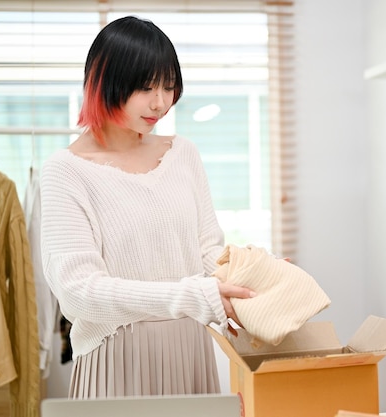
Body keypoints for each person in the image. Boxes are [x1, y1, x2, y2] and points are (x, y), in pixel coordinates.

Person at [39, 15, 255, 399]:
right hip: (116, 359)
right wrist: (193, 297)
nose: (161, 103)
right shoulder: (65, 171)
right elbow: (78, 292)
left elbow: (207, 252)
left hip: (190, 350)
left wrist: (254, 276)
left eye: (169, 87)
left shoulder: (182, 153)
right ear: (104, 82)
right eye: (145, 88)